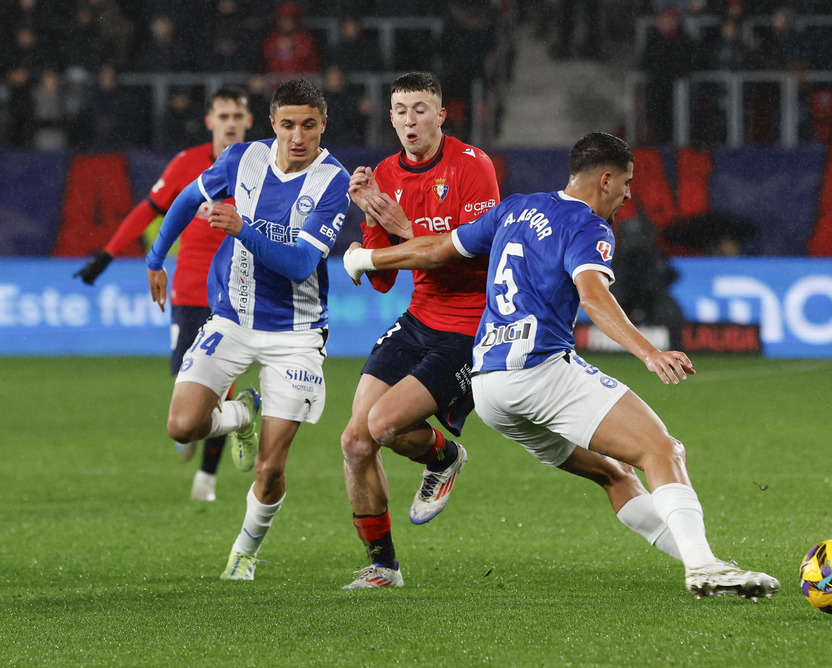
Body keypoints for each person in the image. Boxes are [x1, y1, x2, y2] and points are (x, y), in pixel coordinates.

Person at [343, 132, 781, 600]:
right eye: (627, 183)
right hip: (541, 373)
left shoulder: (515, 208)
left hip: (490, 389)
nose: (629, 194)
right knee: (663, 451)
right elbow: (593, 296)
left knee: (613, 473)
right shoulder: (588, 226)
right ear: (605, 180)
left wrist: (368, 257)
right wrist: (649, 351)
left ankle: (706, 560)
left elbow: (434, 250)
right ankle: (703, 569)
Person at [145, 78, 351, 581]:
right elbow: (184, 199)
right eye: (287, 125)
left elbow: (301, 262)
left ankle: (245, 551)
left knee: (269, 467)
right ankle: (240, 414)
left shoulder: (333, 182)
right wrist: (155, 258)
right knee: (182, 426)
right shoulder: (243, 159)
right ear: (272, 125)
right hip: (233, 319)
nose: (297, 136)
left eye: (308, 125)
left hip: (297, 335)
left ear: (323, 124)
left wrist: (243, 229)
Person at [339, 71, 500, 589]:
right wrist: (370, 218)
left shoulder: (474, 167)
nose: (410, 120)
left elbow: (482, 258)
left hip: (470, 327)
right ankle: (383, 568)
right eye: (401, 110)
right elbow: (384, 279)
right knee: (355, 441)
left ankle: (445, 456)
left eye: (421, 109)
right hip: (418, 318)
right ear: (390, 116)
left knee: (384, 427)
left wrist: (407, 230)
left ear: (441, 114)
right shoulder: (384, 172)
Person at [74, 86, 254, 502]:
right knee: (188, 382)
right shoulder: (187, 164)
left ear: (248, 122)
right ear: (210, 121)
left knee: (222, 383)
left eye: (237, 116)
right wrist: (106, 255)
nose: (230, 123)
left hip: (235, 291)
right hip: (190, 289)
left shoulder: (261, 167)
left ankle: (207, 477)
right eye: (223, 116)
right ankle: (198, 426)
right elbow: (149, 209)